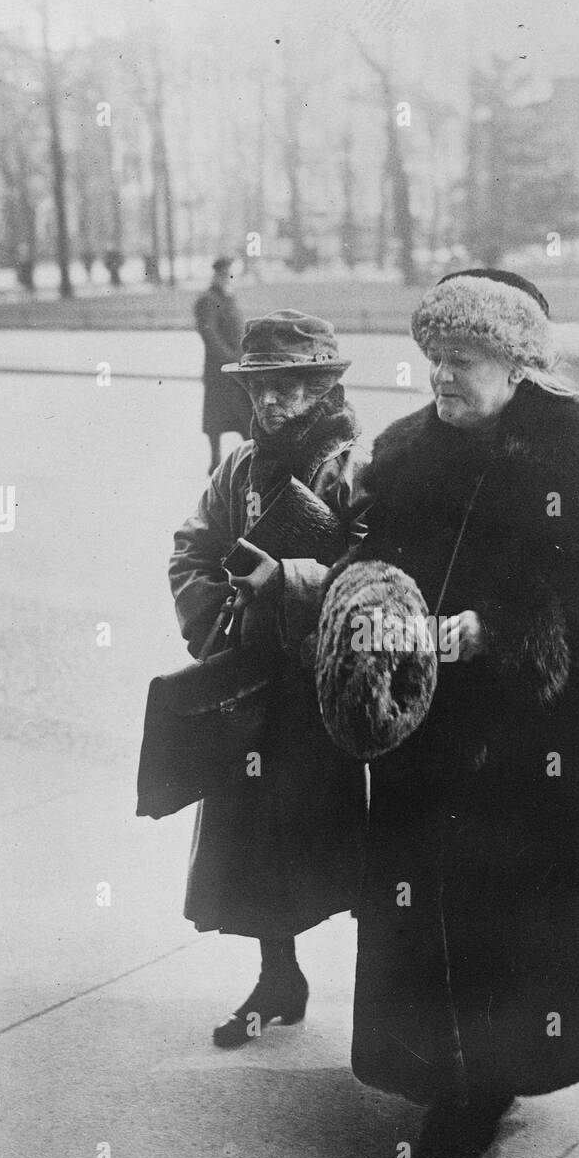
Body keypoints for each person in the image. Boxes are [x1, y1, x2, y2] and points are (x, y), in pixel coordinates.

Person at [319, 269, 579, 1158]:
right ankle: (441, 1067)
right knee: (427, 900)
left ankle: (477, 1092)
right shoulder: (407, 450)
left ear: (518, 363)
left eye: (462, 360)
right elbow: (372, 552)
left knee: (505, 909)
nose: (441, 378)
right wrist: (368, 597)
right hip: (428, 724)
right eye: (433, 359)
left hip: (540, 735)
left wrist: (497, 627)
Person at [169, 310, 369, 1048]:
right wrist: (222, 613)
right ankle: (277, 976)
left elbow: (378, 575)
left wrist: (288, 580)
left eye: (288, 388)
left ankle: (383, 1003)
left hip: (337, 692)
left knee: (355, 843)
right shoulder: (241, 470)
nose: (270, 405)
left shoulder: (354, 467)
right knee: (255, 841)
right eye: (259, 390)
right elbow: (190, 551)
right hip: (256, 688)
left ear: (322, 388)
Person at [194, 256, 253, 473]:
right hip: (218, 369)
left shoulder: (229, 297)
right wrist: (229, 357)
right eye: (225, 274)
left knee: (244, 416)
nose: (229, 278)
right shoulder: (208, 300)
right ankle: (215, 460)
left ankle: (249, 457)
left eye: (231, 274)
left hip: (237, 366)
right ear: (217, 275)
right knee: (216, 419)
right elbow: (209, 334)